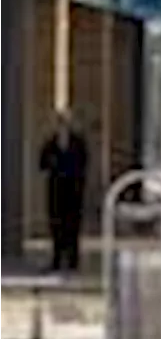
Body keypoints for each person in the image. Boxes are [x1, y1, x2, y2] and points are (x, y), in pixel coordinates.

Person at [39, 112, 89, 272]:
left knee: (73, 225)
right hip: (56, 188)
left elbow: (84, 162)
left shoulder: (78, 142)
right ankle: (57, 258)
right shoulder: (50, 143)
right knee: (56, 224)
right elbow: (42, 163)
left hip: (73, 188)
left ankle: (73, 260)